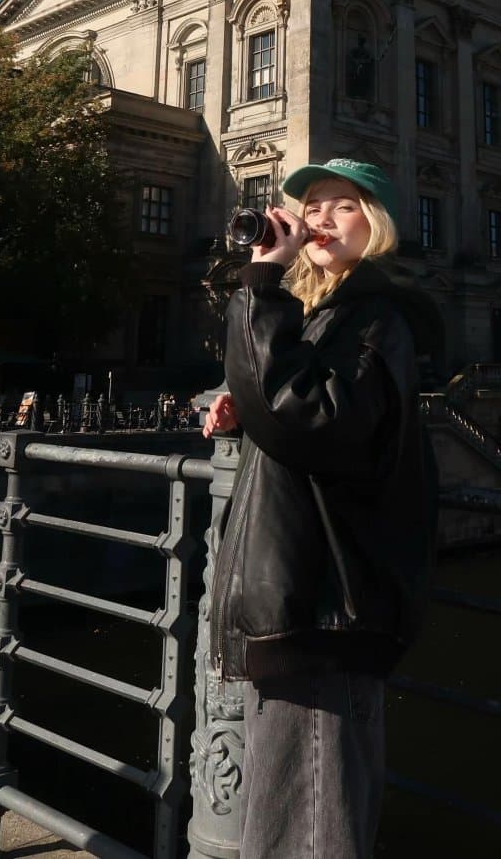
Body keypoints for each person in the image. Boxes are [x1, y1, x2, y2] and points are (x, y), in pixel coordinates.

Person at [202, 158, 441, 859]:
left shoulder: (375, 317)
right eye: (312, 206)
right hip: (301, 594)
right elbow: (302, 413)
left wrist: (257, 287)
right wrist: (242, 409)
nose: (318, 218)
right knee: (291, 810)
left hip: (326, 601)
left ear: (379, 225)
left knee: (310, 820)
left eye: (343, 206)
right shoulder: (325, 315)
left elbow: (308, 418)